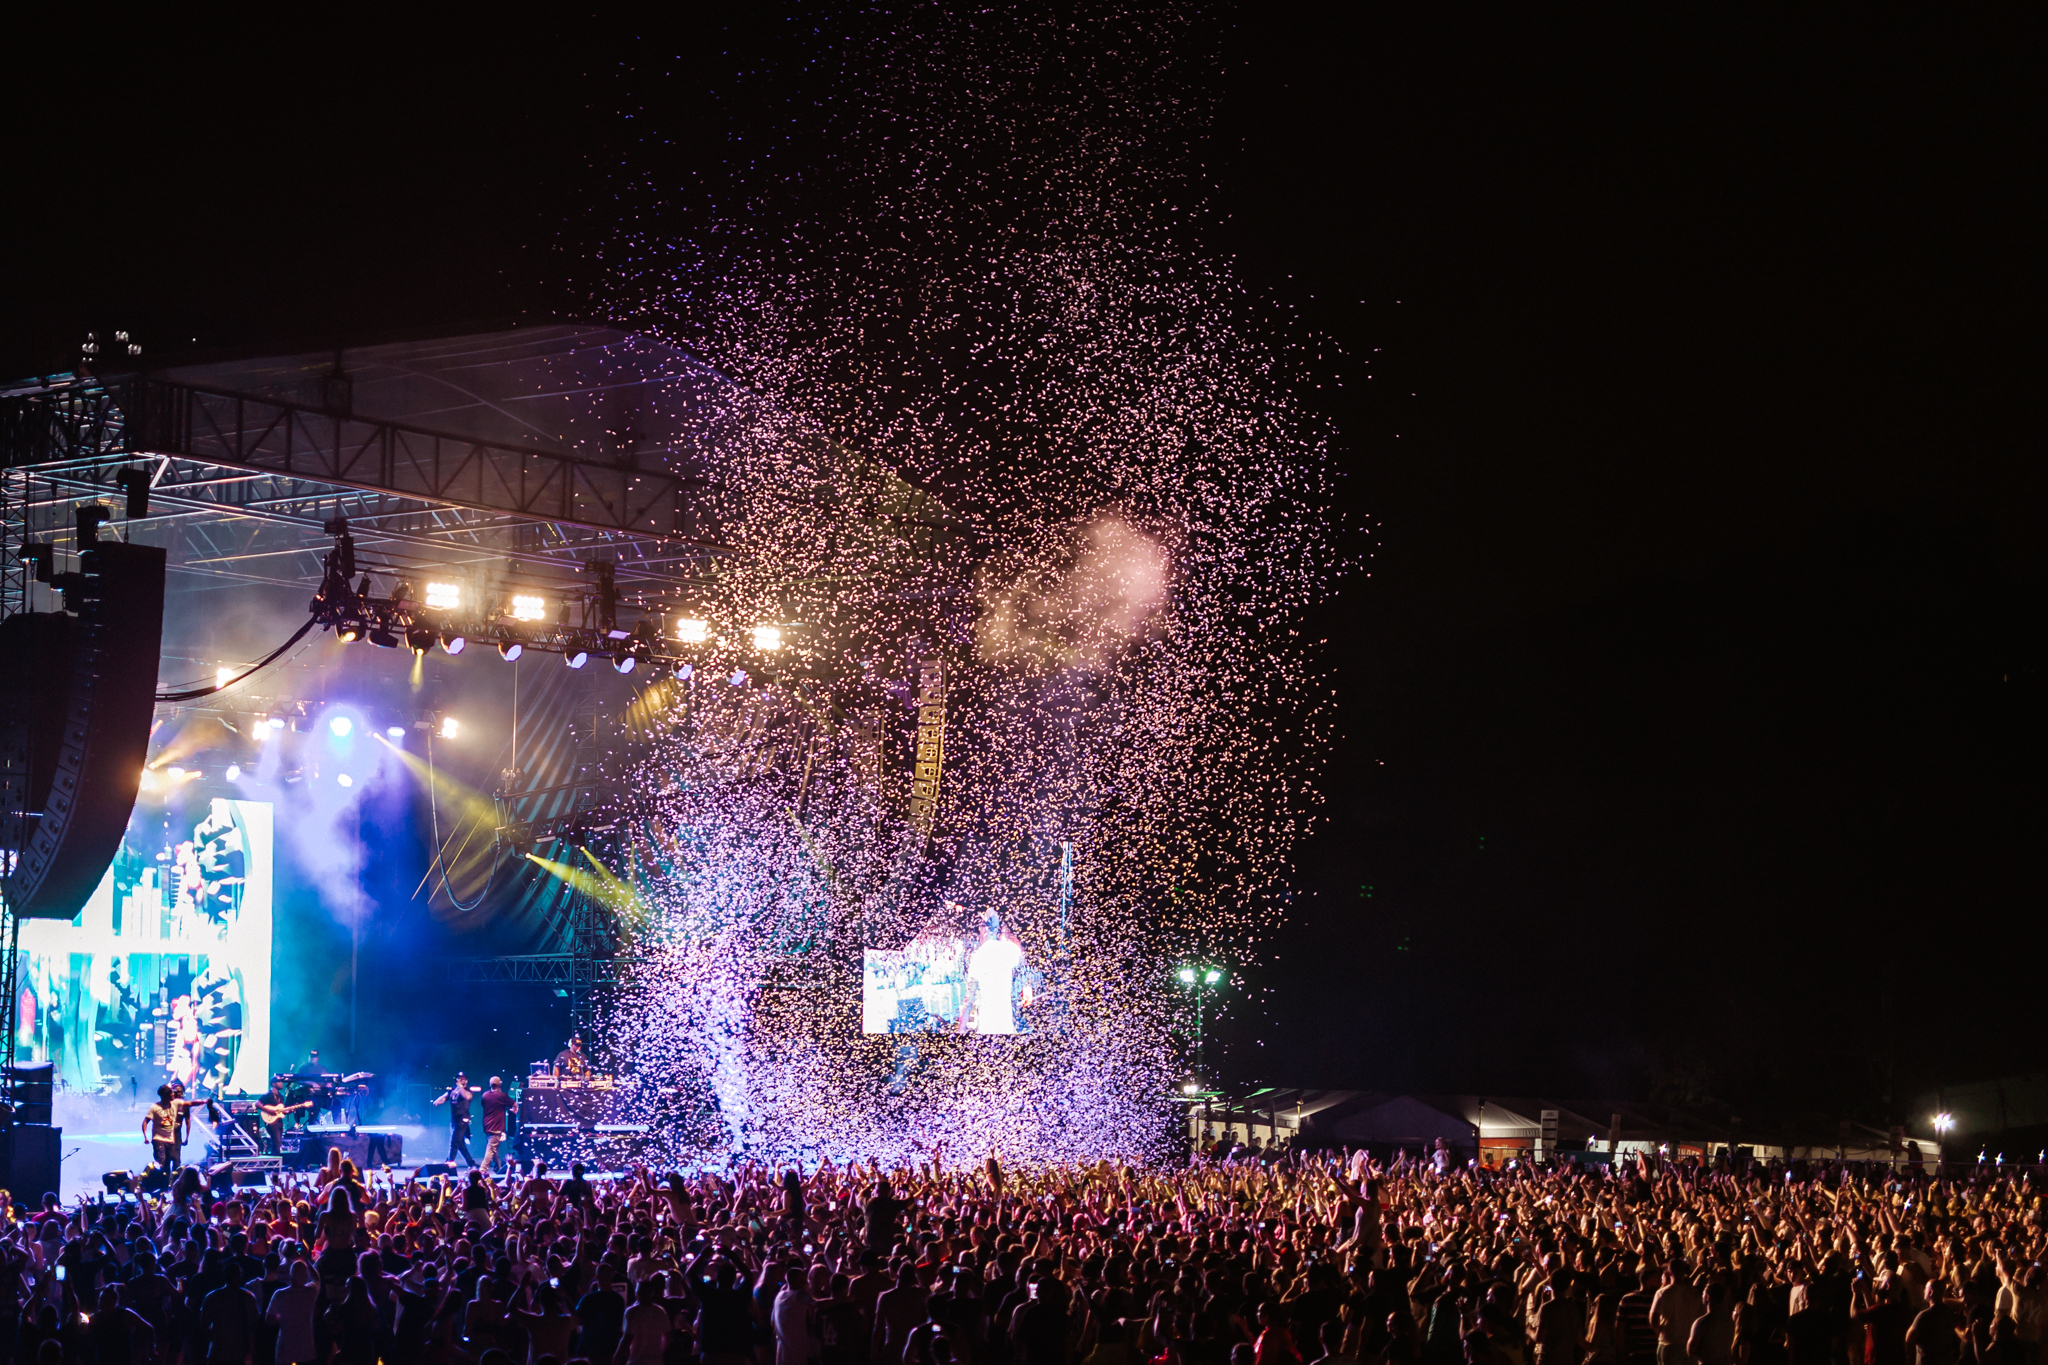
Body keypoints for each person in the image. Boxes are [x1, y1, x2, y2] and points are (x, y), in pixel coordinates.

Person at [962, 909, 1024, 1034]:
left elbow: (968, 1001)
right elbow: (1021, 956)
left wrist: (960, 1029)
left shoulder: (978, 957)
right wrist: (1006, 934)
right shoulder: (1008, 950)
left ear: (984, 929)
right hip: (1005, 1026)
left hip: (987, 1027)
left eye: (979, 929)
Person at [265, 1261, 320, 1365]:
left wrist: (283, 1318)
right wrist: (306, 1260)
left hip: (285, 1348)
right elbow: (317, 1279)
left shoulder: (280, 1294)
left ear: (290, 1275)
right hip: (306, 1349)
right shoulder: (310, 1292)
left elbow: (269, 1320)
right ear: (305, 1275)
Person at [430, 1074, 477, 1168]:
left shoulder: (468, 1091)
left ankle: (449, 1162)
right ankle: (471, 1163)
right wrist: (438, 1101)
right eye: (458, 1079)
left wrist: (461, 1087)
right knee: (459, 1143)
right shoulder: (453, 1089)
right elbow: (444, 1097)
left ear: (466, 1081)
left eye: (461, 1079)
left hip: (462, 1119)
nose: (459, 1080)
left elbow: (466, 1097)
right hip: (454, 1120)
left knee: (454, 1141)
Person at [143, 1086, 186, 1172]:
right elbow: (145, 1122)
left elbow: (190, 1104)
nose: (173, 1094)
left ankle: (168, 1178)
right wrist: (145, 1136)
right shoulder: (155, 1107)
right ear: (165, 1095)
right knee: (161, 1161)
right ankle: (159, 1177)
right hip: (158, 1139)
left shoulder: (175, 1104)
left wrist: (204, 1101)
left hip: (170, 1139)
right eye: (171, 1093)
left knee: (169, 1162)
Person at [478, 1076, 514, 1172]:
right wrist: (512, 1109)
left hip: (487, 1126)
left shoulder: (485, 1095)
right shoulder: (502, 1096)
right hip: (496, 1126)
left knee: (494, 1148)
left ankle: (497, 1167)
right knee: (491, 1149)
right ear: (500, 1084)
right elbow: (514, 1105)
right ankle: (482, 1170)